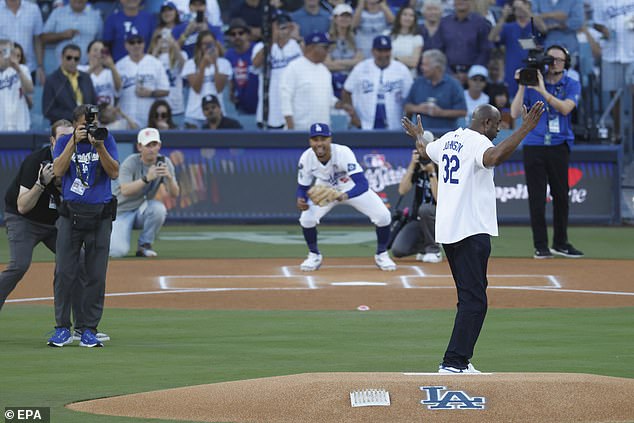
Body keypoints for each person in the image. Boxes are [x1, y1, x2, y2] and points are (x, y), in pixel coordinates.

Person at [402, 101, 545, 373]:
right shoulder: (477, 142)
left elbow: (423, 150)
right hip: (470, 230)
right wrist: (525, 128)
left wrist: (418, 135)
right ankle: (454, 363)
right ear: (486, 123)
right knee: (475, 301)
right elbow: (495, 157)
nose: (498, 132)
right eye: (498, 126)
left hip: (449, 231)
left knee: (469, 297)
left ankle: (459, 360)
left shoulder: (449, 139)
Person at [48, 104, 119, 348]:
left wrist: (99, 147)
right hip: (71, 215)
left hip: (100, 216)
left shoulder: (106, 139)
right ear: (76, 124)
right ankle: (61, 328)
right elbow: (57, 171)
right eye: (86, 124)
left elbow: (114, 172)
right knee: (64, 273)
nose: (91, 127)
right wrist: (72, 143)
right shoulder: (65, 141)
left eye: (94, 122)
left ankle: (89, 328)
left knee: (96, 275)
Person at [510, 44, 584, 259]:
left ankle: (561, 242)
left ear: (566, 63)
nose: (554, 63)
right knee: (536, 196)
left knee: (561, 195)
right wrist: (523, 84)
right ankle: (540, 245)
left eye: (559, 60)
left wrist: (541, 90)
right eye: (551, 59)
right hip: (534, 144)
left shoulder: (571, 84)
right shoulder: (532, 82)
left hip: (559, 144)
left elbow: (565, 108)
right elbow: (514, 113)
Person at [297, 122, 397, 272]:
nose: (319, 143)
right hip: (324, 189)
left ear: (330, 139)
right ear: (310, 141)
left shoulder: (343, 153)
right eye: (315, 139)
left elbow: (362, 184)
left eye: (323, 139)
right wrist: (301, 200)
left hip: (349, 186)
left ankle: (382, 254)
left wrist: (345, 195)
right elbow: (302, 187)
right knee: (306, 219)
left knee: (383, 216)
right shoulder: (306, 158)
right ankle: (314, 255)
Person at [0, 120, 70, 310]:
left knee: (77, 259)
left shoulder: (76, 163)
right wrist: (41, 183)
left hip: (53, 221)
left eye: (71, 138)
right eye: (63, 138)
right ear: (52, 141)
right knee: (19, 265)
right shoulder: (36, 161)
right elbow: (22, 206)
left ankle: (73, 323)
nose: (68, 143)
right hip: (23, 220)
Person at [109, 127, 179, 258]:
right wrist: (147, 178)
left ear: (159, 145)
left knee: (159, 209)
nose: (151, 149)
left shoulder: (164, 162)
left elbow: (175, 194)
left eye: (154, 144)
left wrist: (169, 178)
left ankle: (144, 245)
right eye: (148, 145)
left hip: (141, 209)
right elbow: (125, 191)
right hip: (120, 212)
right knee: (117, 252)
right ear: (139, 147)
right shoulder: (131, 162)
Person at [390, 130, 442, 263]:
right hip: (418, 219)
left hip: (441, 218)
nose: (422, 150)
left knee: (425, 209)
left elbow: (440, 200)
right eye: (419, 146)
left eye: (424, 146)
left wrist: (432, 174)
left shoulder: (441, 164)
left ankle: (434, 249)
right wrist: (412, 165)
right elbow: (402, 190)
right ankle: (425, 247)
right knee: (398, 250)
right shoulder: (417, 165)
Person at [342, 35, 413, 129]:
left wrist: (406, 123)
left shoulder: (401, 70)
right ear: (373, 51)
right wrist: (353, 116)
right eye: (380, 51)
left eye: (386, 50)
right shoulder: (361, 68)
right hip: (365, 124)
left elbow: (410, 98)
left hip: (394, 124)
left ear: (391, 51)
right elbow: (346, 91)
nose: (383, 54)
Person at [281, 31, 345, 130]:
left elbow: (329, 98)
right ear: (311, 47)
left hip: (322, 133)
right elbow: (285, 98)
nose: (327, 51)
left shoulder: (324, 70)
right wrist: (290, 127)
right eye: (325, 47)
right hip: (300, 129)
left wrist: (340, 104)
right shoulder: (294, 67)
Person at [251, 12, 302, 129]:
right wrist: (272, 39)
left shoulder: (296, 45)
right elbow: (255, 63)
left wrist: (297, 36)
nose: (282, 30)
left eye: (285, 26)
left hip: (292, 108)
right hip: (269, 110)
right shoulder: (261, 47)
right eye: (279, 26)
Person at [115, 33, 170, 128]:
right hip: (126, 118)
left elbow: (165, 90)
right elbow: (115, 93)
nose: (136, 45)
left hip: (149, 118)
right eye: (132, 42)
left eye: (139, 42)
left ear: (144, 44)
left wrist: (151, 93)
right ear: (126, 45)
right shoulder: (119, 65)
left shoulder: (155, 63)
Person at [404, 49, 466, 131]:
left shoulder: (453, 85)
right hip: (422, 136)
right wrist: (420, 108)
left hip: (446, 136)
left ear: (437, 68)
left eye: (425, 65)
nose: (422, 68)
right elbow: (406, 106)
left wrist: (441, 113)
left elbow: (462, 111)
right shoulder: (418, 83)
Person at [182, 30, 232, 128]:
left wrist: (215, 64)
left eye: (210, 43)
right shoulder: (190, 64)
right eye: (204, 44)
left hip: (217, 115)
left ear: (215, 44)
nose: (208, 47)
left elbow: (219, 88)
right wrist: (203, 65)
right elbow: (196, 88)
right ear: (199, 46)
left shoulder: (224, 63)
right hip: (194, 115)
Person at [437, 0, 493, 86]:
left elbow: (485, 50)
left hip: (474, 78)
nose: (461, 1)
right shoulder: (444, 23)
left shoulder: (480, 22)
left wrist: (471, 73)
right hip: (448, 75)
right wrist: (449, 73)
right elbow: (439, 50)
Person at [42, 44, 97, 124]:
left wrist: (93, 116)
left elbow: (94, 103)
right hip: (64, 128)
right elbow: (48, 110)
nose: (72, 61)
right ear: (62, 57)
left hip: (86, 126)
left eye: (76, 59)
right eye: (69, 58)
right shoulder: (52, 80)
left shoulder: (86, 78)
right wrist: (75, 117)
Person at [40, 0, 103, 67]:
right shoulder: (58, 13)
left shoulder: (95, 17)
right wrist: (62, 35)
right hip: (62, 68)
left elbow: (100, 43)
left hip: (87, 68)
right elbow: (43, 38)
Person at [324, 4, 364, 98]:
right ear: (335, 18)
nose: (345, 19)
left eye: (348, 16)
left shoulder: (357, 38)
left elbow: (359, 62)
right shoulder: (327, 38)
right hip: (331, 80)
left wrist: (337, 62)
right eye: (342, 16)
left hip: (352, 79)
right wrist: (350, 64)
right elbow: (327, 64)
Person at [0, 0, 45, 84]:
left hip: (28, 68)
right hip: (2, 69)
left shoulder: (33, 9)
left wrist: (40, 66)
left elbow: (38, 40)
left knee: (27, 97)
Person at [224, 18, 259, 115]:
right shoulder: (228, 55)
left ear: (248, 35)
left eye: (241, 33)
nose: (237, 36)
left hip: (262, 105)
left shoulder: (257, 49)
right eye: (233, 34)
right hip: (241, 107)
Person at [0, 39, 34, 131]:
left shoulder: (23, 69)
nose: (5, 56)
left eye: (6, 52)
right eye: (1, 52)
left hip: (20, 125)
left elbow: (30, 89)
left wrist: (18, 69)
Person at [78, 40, 122, 107]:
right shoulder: (80, 69)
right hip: (88, 111)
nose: (98, 53)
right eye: (95, 50)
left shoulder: (110, 72)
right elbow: (76, 86)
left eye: (101, 51)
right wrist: (93, 67)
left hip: (107, 112)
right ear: (88, 53)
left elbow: (118, 89)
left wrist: (112, 66)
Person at [387, 5, 423, 75]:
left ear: (414, 19)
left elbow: (413, 63)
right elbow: (384, 58)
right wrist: (406, 59)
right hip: (390, 74)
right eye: (405, 14)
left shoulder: (417, 38)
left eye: (411, 15)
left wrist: (395, 58)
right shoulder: (387, 34)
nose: (407, 18)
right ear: (399, 16)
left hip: (409, 76)